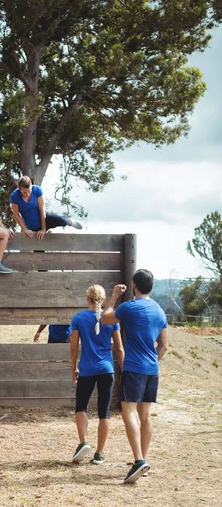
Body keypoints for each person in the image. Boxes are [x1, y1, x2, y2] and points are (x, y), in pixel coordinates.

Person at [101, 269, 168, 483]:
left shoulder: (129, 307)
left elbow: (105, 319)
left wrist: (113, 295)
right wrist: (151, 362)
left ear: (134, 285)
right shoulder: (159, 310)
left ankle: (138, 460)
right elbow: (164, 346)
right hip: (152, 369)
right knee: (145, 416)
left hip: (134, 367)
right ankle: (143, 461)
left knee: (127, 411)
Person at [70, 285, 124, 465]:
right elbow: (118, 347)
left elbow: (73, 346)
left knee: (81, 407)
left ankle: (84, 441)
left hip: (87, 369)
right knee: (104, 412)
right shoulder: (111, 319)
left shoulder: (79, 318)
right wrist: (124, 371)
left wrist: (73, 367)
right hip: (107, 369)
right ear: (103, 299)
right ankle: (100, 453)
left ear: (88, 299)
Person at [10, 176, 82, 241]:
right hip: (33, 227)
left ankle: (70, 221)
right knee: (39, 252)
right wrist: (25, 229)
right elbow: (16, 215)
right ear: (20, 189)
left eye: (29, 191)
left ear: (31, 186)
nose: (27, 194)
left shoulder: (37, 190)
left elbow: (42, 210)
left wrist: (43, 229)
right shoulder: (15, 196)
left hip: (45, 219)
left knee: (62, 220)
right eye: (24, 192)